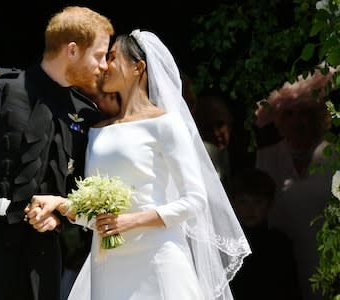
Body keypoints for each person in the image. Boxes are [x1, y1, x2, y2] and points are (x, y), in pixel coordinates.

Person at [26, 29, 251, 300]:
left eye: (112, 57)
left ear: (138, 67)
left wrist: (131, 221)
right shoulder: (98, 130)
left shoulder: (165, 124)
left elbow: (194, 200)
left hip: (156, 258)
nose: (104, 66)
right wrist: (61, 204)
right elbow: (97, 218)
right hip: (107, 265)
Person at [0, 6, 114, 300]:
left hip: (40, 258)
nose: (104, 66)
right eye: (100, 55)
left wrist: (59, 219)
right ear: (72, 50)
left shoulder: (84, 114)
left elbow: (75, 187)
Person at [254, 66, 338, 300]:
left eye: (304, 113)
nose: (297, 121)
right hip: (283, 265)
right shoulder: (266, 157)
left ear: (317, 116)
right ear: (279, 119)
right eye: (289, 114)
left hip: (330, 261)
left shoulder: (335, 155)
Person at [228, 168, 301, 300]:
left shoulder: (279, 243)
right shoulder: (227, 243)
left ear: (269, 204)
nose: (250, 209)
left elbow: (291, 289)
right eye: (243, 202)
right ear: (234, 204)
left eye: (258, 202)